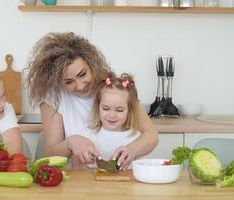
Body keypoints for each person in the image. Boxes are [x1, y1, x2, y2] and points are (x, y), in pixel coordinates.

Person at [26, 32, 158, 170]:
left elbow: (151, 135)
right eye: (69, 82)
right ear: (57, 81)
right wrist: (71, 143)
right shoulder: (53, 99)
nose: (80, 86)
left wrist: (132, 150)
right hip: (77, 180)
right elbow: (50, 154)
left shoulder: (112, 88)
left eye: (82, 74)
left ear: (91, 63)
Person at [80, 73, 142, 169]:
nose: (112, 115)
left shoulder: (136, 138)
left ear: (129, 111)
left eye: (119, 110)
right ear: (98, 107)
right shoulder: (86, 135)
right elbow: (76, 170)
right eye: (106, 108)